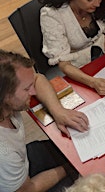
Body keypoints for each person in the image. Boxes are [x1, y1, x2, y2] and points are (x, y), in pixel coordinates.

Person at [0, 50, 89, 192]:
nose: (34, 92)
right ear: (5, 96)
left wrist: (58, 111)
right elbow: (27, 189)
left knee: (75, 149)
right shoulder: (4, 153)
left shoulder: (6, 99)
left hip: (23, 162)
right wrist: (71, 166)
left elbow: (37, 78)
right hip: (22, 186)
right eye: (27, 88)